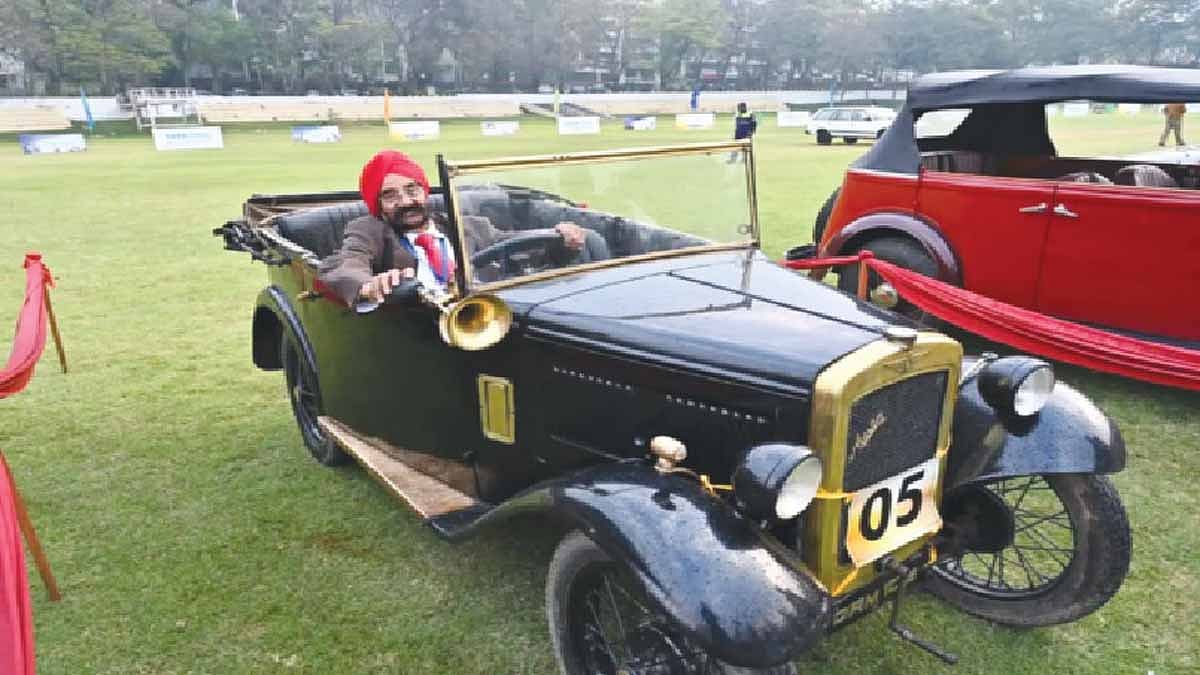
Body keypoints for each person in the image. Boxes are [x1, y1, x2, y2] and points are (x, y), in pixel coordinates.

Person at [318, 150, 603, 306]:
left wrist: (561, 238)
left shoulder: (470, 225)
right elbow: (346, 264)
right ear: (378, 205)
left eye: (412, 190)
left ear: (424, 191)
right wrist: (368, 285)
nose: (405, 202)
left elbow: (520, 248)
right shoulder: (369, 230)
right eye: (390, 195)